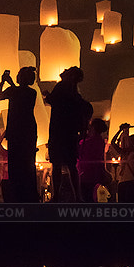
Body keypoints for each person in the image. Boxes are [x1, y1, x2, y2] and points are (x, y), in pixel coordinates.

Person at [44, 66, 91, 201]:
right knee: (71, 166)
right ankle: (78, 196)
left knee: (57, 165)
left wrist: (48, 96)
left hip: (58, 133)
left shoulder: (61, 88)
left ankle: (57, 195)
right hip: (70, 135)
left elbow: (53, 101)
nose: (64, 70)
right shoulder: (75, 95)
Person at [0, 67, 39, 202]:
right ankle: (30, 194)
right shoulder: (31, 92)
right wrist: (10, 84)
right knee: (28, 163)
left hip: (16, 130)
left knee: (15, 163)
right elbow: (18, 94)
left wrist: (4, 82)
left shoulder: (17, 91)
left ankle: (18, 194)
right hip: (28, 130)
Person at [77, 118, 111, 202]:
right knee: (90, 194)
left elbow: (80, 153)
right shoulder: (100, 141)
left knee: (85, 195)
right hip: (94, 172)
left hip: (87, 173)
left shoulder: (87, 142)